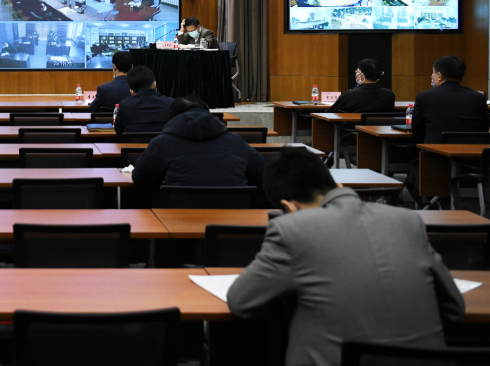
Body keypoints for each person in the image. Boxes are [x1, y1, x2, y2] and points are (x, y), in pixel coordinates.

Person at [227, 147, 465, 366]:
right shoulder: (408, 220)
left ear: (289, 207)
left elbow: (240, 301)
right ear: (338, 186)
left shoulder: (292, 229)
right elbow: (454, 306)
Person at [131, 96, 264, 192]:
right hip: (234, 219)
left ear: (172, 118)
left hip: (176, 218)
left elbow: (140, 178)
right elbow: (263, 176)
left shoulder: (161, 143)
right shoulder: (236, 142)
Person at [412, 55, 489, 145]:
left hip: (435, 151)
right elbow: (484, 129)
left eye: (433, 73)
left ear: (439, 76)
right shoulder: (479, 98)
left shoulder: (424, 96)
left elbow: (417, 131)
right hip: (471, 151)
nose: (432, 76)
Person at [113, 66, 173, 137]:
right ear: (154, 85)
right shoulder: (171, 103)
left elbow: (118, 131)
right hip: (162, 144)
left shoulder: (125, 105)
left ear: (131, 90)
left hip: (133, 144)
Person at [326, 58, 396, 114]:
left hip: (354, 127)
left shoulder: (349, 95)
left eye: (357, 71)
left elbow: (330, 113)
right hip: (382, 127)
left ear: (361, 75)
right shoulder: (389, 95)